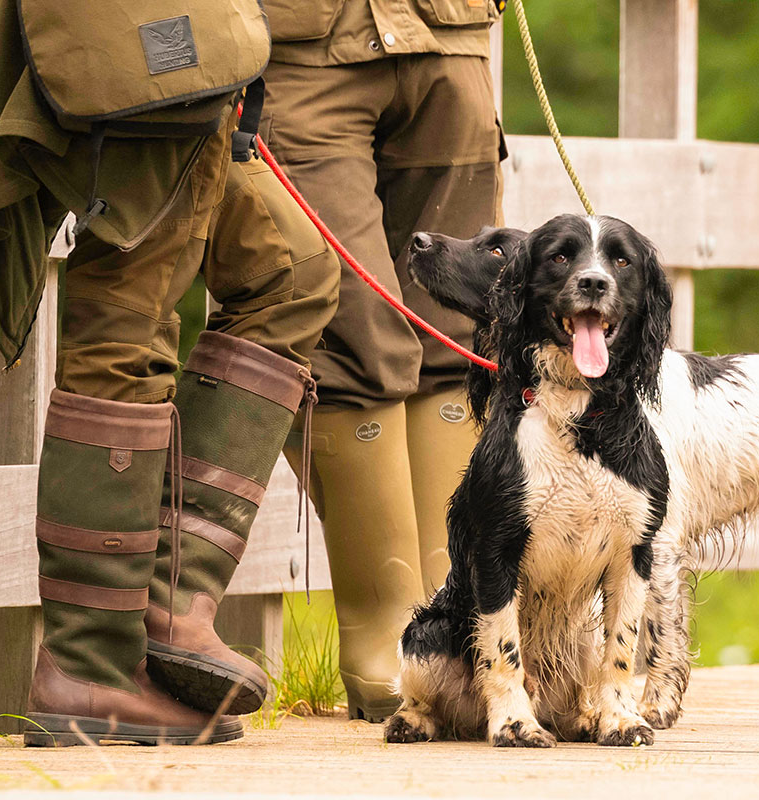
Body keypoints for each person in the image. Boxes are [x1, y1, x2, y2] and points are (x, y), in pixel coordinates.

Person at [0, 0, 336, 745]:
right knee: (129, 317)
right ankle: (88, 666)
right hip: (128, 43)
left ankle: (169, 606)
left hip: (194, 50)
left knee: (295, 269)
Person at [258, 0, 506, 721]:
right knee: (349, 330)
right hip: (301, 48)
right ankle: (387, 633)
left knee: (456, 332)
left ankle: (461, 631)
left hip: (449, 33)